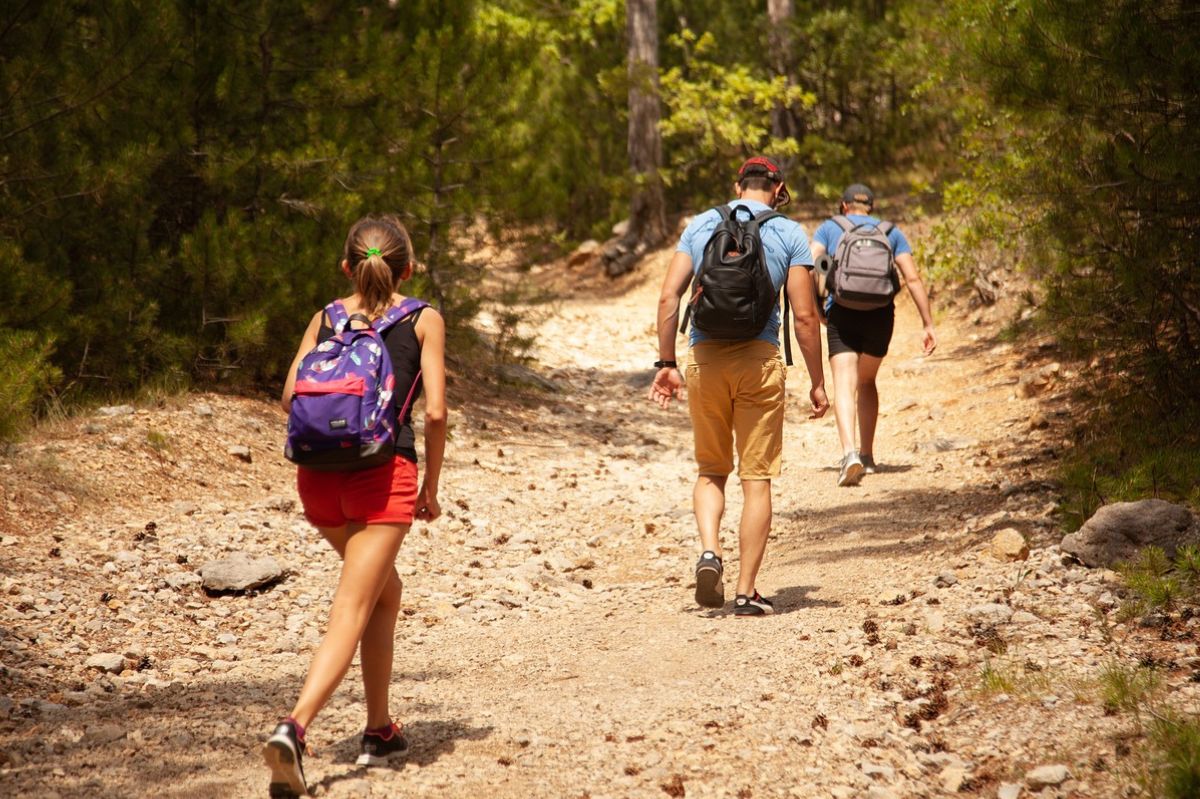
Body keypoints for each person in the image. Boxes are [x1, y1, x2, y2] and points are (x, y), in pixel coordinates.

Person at [263, 215, 446, 797]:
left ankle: (379, 730)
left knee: (384, 594)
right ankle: (294, 729)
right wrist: (430, 489)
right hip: (382, 473)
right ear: (407, 270)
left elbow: (292, 394)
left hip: (317, 481)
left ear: (347, 267)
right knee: (354, 604)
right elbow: (436, 411)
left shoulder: (325, 316)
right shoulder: (423, 318)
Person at [649, 156, 828, 617]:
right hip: (759, 360)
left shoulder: (703, 222)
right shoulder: (789, 233)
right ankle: (747, 591)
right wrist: (818, 382)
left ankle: (710, 551)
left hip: (705, 359)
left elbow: (669, 296)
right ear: (778, 188)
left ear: (737, 185)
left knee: (711, 470)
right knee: (756, 479)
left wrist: (667, 362)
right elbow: (805, 316)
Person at [811, 184, 936, 487]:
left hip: (842, 311)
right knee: (866, 381)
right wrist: (928, 323)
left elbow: (814, 264)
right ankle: (867, 455)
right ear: (871, 207)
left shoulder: (831, 228)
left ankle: (849, 453)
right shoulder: (890, 231)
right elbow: (912, 277)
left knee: (844, 382)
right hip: (880, 315)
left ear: (844, 205)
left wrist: (817, 307)